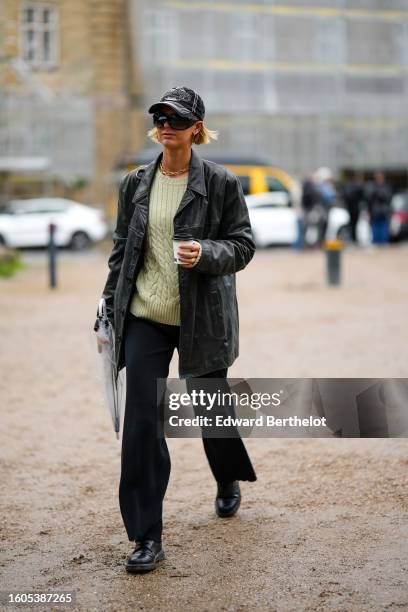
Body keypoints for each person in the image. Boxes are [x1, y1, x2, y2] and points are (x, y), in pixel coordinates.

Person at [94, 86, 257, 573]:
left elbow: (243, 245)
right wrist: (108, 308)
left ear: (196, 129)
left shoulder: (222, 183)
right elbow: (124, 250)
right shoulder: (136, 183)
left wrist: (208, 253)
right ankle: (146, 536)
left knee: (209, 409)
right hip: (145, 316)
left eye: (177, 119)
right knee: (143, 423)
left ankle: (226, 478)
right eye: (160, 117)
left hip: (202, 317)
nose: (166, 125)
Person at [365, 171, 392, 245]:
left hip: (384, 212)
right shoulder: (372, 186)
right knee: (375, 230)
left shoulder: (386, 186)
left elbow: (388, 198)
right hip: (375, 212)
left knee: (383, 230)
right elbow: (369, 200)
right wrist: (369, 212)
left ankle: (384, 244)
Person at [341, 173, 365, 244]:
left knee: (353, 224)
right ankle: (353, 238)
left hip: (351, 208)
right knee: (353, 224)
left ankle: (353, 238)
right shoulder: (356, 186)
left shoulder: (349, 186)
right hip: (353, 208)